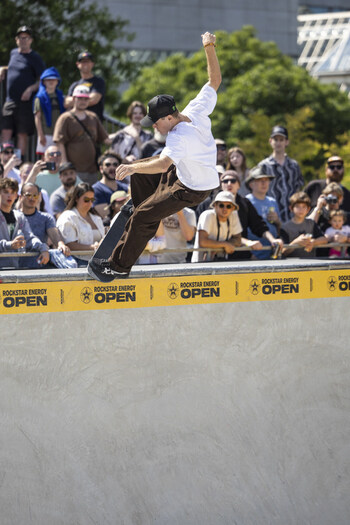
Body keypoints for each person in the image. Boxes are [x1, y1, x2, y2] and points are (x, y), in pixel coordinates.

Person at [89, 31, 222, 279]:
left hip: (190, 189)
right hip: (184, 172)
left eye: (155, 122)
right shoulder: (196, 109)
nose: (153, 127)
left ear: (168, 118)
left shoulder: (178, 137)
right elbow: (214, 80)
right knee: (141, 166)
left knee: (141, 217)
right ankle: (144, 204)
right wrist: (209, 45)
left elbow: (162, 165)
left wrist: (130, 169)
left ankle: (118, 266)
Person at [0, 26, 45, 158]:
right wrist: (2, 68)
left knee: (22, 134)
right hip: (10, 100)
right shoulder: (13, 53)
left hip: (25, 102)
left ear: (31, 40)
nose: (23, 40)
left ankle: (17, 162)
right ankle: (3, 160)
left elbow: (42, 80)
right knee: (5, 132)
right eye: (20, 37)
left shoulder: (35, 57)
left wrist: (30, 89)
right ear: (16, 40)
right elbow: (14, 68)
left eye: (26, 38)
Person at [53, 85, 111, 184]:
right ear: (74, 99)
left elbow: (105, 139)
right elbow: (59, 142)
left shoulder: (93, 117)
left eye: (85, 99)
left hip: (92, 170)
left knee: (90, 197)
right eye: (80, 98)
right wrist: (65, 164)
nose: (83, 101)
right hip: (73, 171)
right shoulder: (65, 118)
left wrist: (125, 135)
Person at [220, 170, 283, 260]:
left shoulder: (245, 203)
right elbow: (224, 234)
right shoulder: (211, 204)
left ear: (238, 185)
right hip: (217, 255)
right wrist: (248, 242)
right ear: (221, 184)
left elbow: (258, 225)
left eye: (233, 181)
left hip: (240, 253)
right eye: (225, 181)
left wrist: (272, 240)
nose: (229, 183)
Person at [19, 182, 76, 268]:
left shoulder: (46, 218)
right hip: (16, 266)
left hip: (40, 266)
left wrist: (61, 244)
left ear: (39, 197)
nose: (32, 198)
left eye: (35, 195)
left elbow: (54, 235)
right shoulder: (14, 216)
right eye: (28, 195)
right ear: (20, 197)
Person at [0, 177, 49, 268]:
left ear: (17, 196)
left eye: (13, 192)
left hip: (14, 269)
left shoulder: (19, 216)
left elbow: (29, 237)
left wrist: (43, 248)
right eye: (6, 192)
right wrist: (9, 245)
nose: (9, 196)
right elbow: (10, 245)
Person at [258, 126, 304, 222]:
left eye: (281, 139)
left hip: (292, 216)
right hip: (271, 215)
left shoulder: (294, 165)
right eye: (275, 139)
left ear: (287, 142)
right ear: (270, 141)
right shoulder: (263, 166)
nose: (278, 143)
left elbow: (299, 190)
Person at [57, 183, 105, 266]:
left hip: (98, 262)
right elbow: (69, 244)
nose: (90, 203)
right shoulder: (68, 217)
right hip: (77, 263)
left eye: (92, 200)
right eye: (86, 200)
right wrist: (93, 247)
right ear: (76, 198)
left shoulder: (97, 218)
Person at [192, 191, 241, 262]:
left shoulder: (234, 215)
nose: (225, 209)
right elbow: (203, 242)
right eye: (221, 205)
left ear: (233, 208)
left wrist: (218, 246)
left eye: (228, 206)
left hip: (222, 262)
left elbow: (238, 240)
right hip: (201, 263)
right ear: (215, 205)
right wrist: (225, 245)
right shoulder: (207, 215)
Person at [245, 166, 281, 259]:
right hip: (253, 254)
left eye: (266, 180)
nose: (264, 183)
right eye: (260, 180)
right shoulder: (246, 201)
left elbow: (280, 228)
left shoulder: (272, 201)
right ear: (251, 184)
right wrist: (249, 254)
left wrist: (277, 221)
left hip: (272, 253)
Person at [280, 192, 327, 258]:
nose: (301, 210)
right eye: (297, 206)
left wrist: (313, 242)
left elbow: (324, 239)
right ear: (291, 208)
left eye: (304, 207)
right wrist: (296, 242)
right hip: (291, 264)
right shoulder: (285, 227)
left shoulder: (311, 223)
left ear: (308, 209)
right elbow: (282, 251)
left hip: (311, 263)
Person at [64, 51, 105, 122]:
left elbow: (94, 100)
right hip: (76, 123)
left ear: (92, 64)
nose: (85, 64)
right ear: (77, 64)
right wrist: (86, 100)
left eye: (88, 61)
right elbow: (66, 102)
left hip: (93, 123)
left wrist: (76, 101)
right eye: (83, 62)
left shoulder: (98, 81)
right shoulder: (74, 85)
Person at [33, 67, 65, 156]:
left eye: (53, 79)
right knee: (46, 157)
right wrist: (40, 135)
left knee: (59, 156)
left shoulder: (61, 97)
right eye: (48, 80)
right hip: (46, 133)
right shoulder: (39, 98)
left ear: (57, 81)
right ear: (43, 82)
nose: (51, 82)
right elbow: (37, 117)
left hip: (59, 133)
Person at [92, 152, 128, 218]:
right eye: (108, 165)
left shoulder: (126, 187)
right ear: (101, 169)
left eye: (115, 164)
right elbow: (106, 217)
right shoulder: (96, 190)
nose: (112, 167)